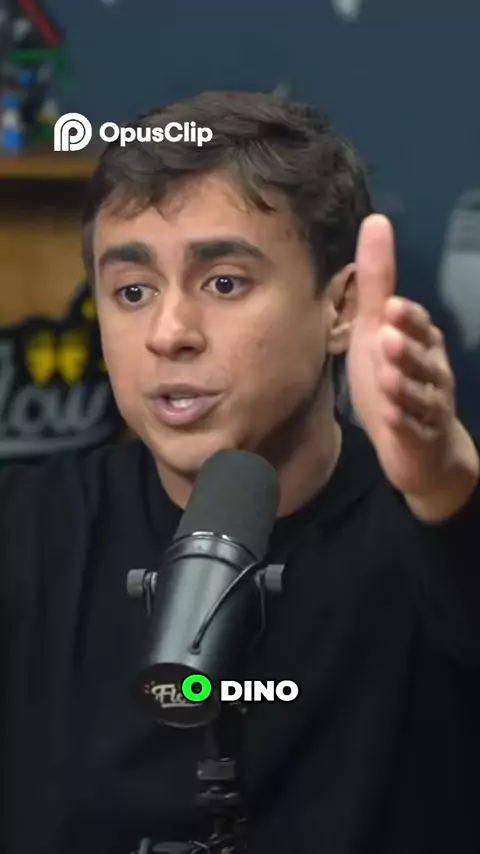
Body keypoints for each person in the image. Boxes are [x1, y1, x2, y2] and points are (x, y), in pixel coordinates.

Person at [1, 90, 479, 854]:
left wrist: (448, 488)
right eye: (132, 292)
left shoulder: (432, 535)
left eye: (224, 282)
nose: (169, 333)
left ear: (341, 307)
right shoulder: (27, 530)